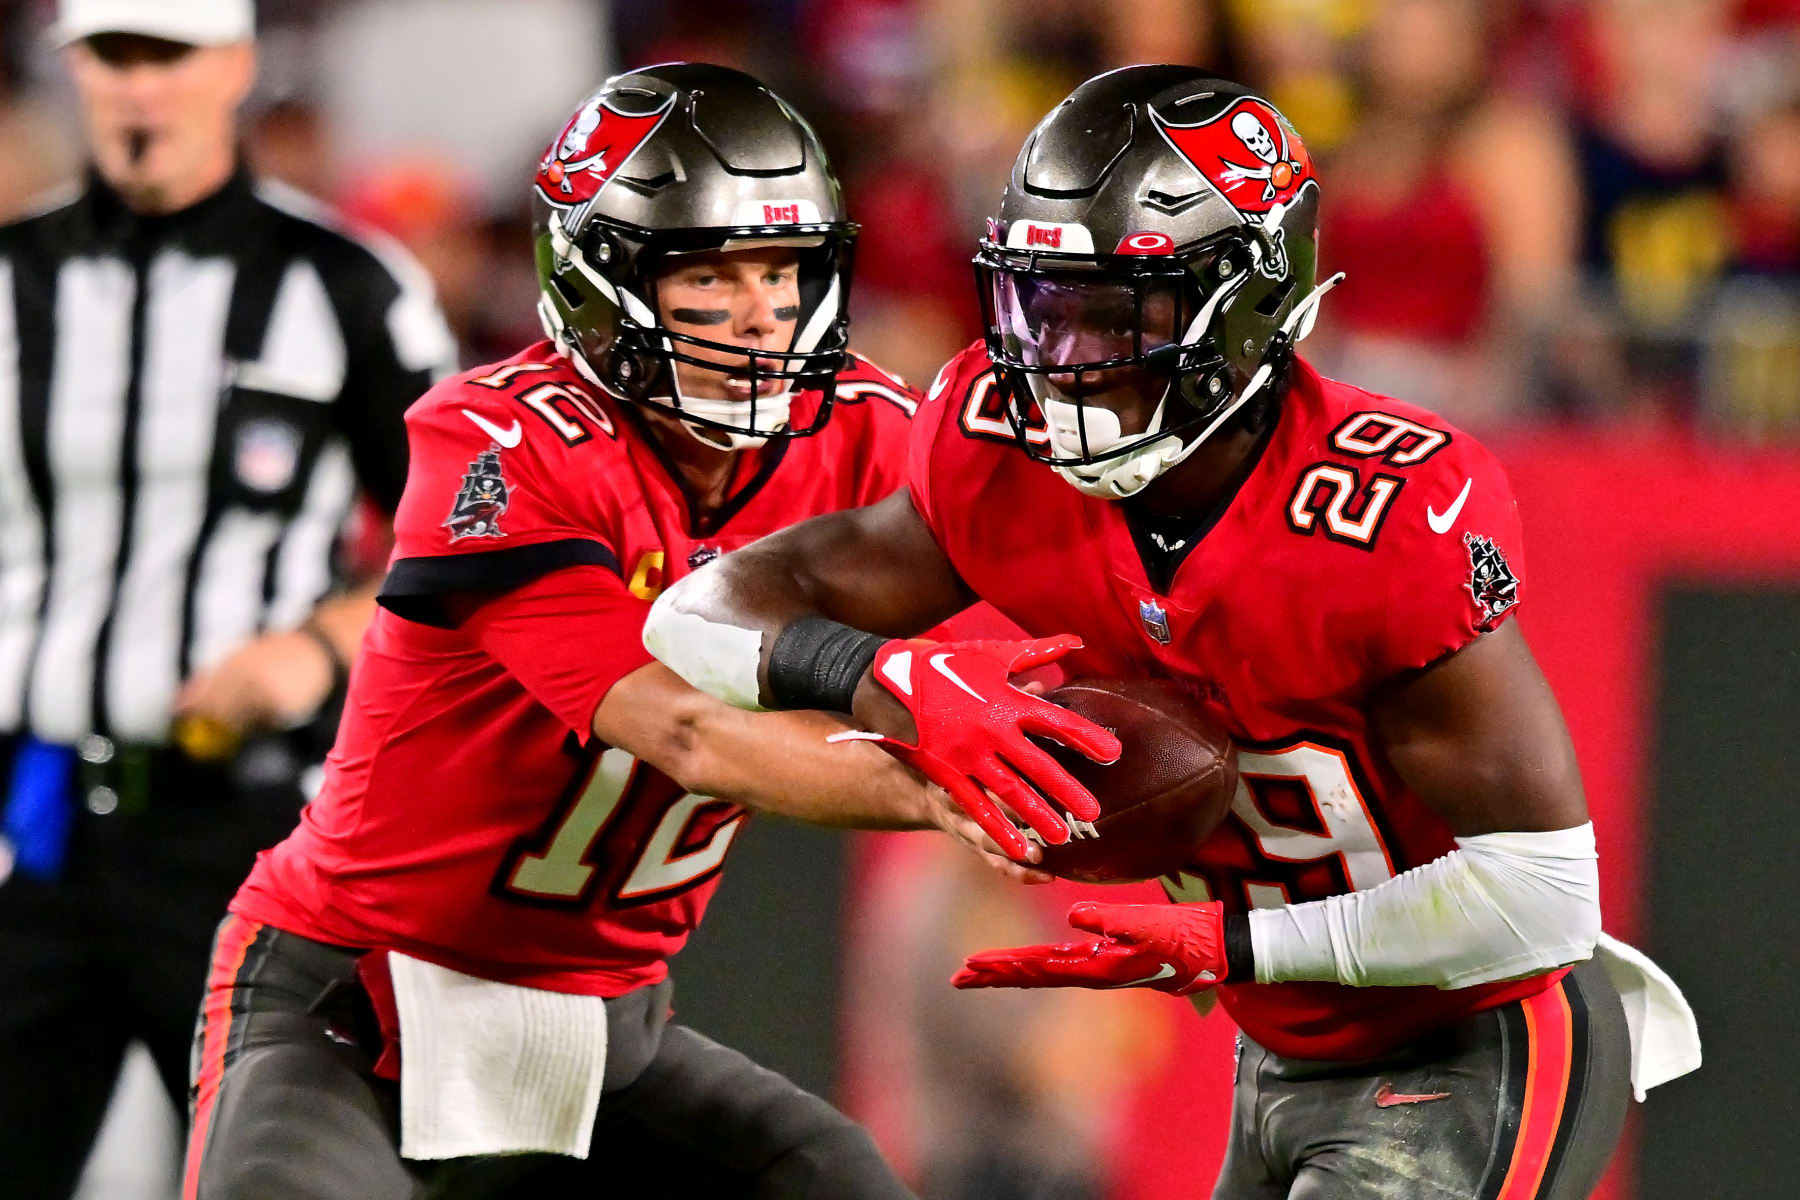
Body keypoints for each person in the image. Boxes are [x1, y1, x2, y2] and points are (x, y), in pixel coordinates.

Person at [646, 66, 1702, 1199]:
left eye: (1112, 311)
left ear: (1246, 307)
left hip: (1475, 1041)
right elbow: (695, 613)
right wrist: (879, 673)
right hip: (1284, 1049)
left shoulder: (1382, 518)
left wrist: (1232, 946)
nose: (1059, 361)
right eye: (1041, 307)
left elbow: (1544, 902)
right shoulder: (995, 449)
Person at [184, 64, 1008, 1200]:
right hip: (360, 1006)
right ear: (601, 278)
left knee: (836, 1178)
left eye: (782, 267)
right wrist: (937, 785)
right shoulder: (497, 445)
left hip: (605, 1030)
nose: (765, 310)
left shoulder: (864, 434)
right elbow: (687, 730)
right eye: (713, 274)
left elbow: (1053, 598)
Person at [0, 0, 456, 1194]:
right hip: (28, 816)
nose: (140, 90)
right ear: (74, 69)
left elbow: (474, 536)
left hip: (239, 829)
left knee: (279, 1173)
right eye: (114, 55)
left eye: (169, 55)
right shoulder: (9, 280)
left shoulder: (346, 285)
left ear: (237, 66)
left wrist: (315, 645)